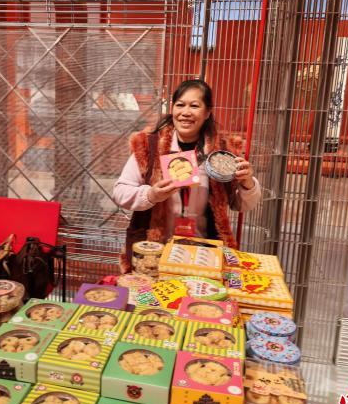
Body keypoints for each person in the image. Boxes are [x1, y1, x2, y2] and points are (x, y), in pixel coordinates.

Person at [112, 79, 262, 272]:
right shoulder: (149, 146)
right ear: (172, 108)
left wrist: (247, 183)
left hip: (204, 254)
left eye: (194, 106)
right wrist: (151, 195)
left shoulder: (222, 152)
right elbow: (120, 192)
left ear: (207, 112)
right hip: (155, 253)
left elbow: (241, 204)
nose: (185, 112)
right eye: (180, 105)